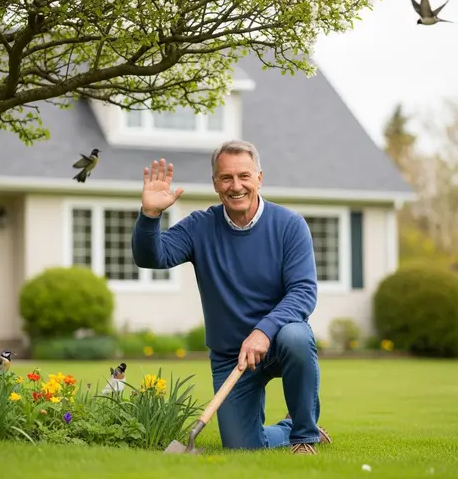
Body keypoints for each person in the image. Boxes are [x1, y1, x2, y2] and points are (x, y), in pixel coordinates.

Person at [131, 139, 332, 455]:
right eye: (226, 178)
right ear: (215, 183)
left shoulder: (290, 226)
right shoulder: (200, 226)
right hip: (231, 356)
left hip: (279, 342)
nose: (236, 186)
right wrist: (150, 215)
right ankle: (289, 427)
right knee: (242, 448)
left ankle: (303, 436)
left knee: (296, 336)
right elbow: (152, 257)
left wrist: (264, 331)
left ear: (259, 178)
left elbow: (303, 293)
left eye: (244, 176)